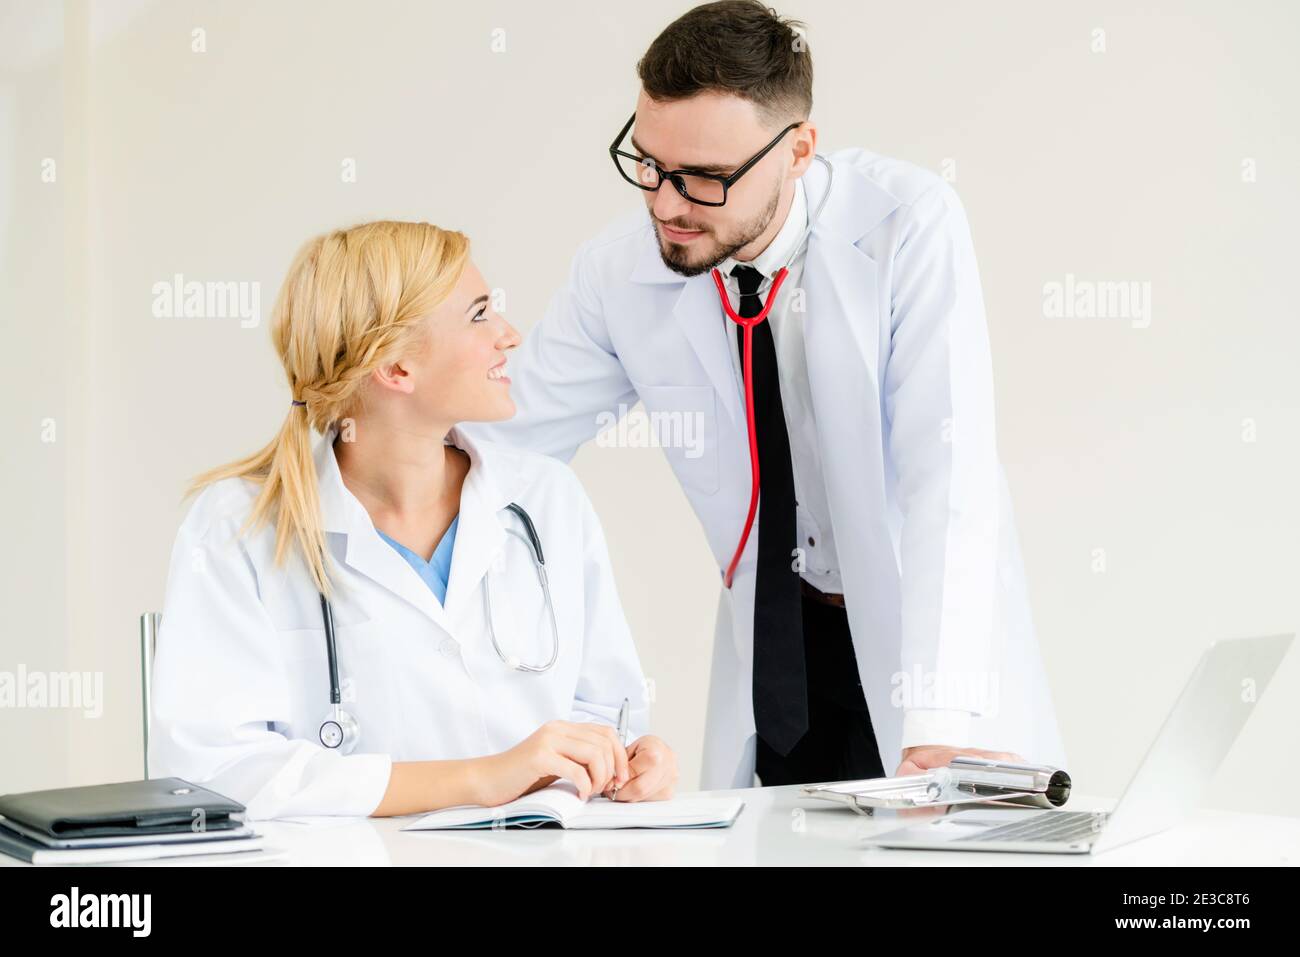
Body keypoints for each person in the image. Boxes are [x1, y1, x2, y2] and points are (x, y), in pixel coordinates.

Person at [463, 0, 1066, 789]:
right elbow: (506, 438)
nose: (668, 204)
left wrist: (941, 713)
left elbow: (946, 479)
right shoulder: (621, 271)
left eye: (706, 178)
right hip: (781, 651)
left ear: (799, 150)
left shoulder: (906, 226)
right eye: (649, 164)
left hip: (923, 651)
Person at [149, 220, 678, 819]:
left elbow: (603, 712)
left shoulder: (547, 499)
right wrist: (485, 778)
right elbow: (218, 769)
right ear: (397, 368)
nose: (509, 335)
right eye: (479, 315)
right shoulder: (237, 525)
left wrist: (627, 759)